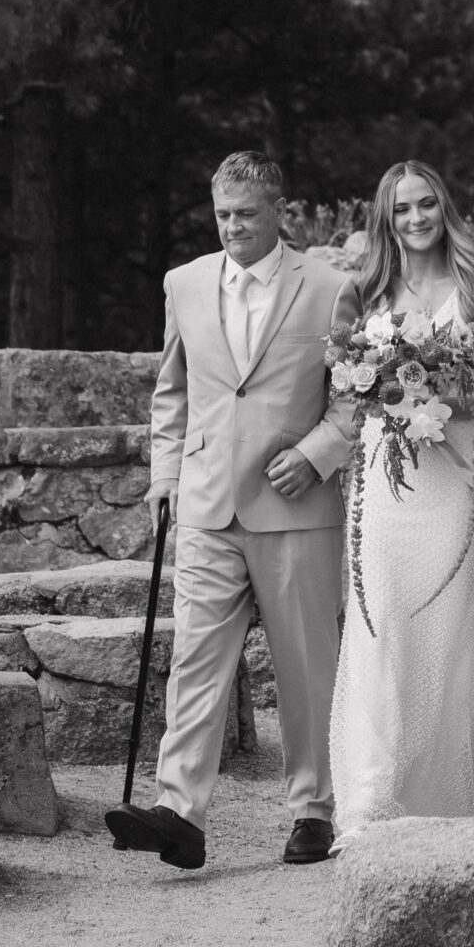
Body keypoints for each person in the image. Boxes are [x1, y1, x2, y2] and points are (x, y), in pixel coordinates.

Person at [119, 153, 353, 871]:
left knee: (306, 666)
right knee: (193, 659)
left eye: (245, 215)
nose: (232, 227)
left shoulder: (330, 287)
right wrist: (164, 477)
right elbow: (172, 394)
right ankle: (178, 812)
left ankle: (313, 808)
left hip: (295, 506)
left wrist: (317, 452)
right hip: (206, 505)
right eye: (221, 214)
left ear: (279, 210)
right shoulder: (183, 283)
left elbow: (352, 397)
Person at [328, 163, 474, 834]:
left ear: (443, 208)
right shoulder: (365, 290)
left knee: (447, 625)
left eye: (425, 206)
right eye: (400, 210)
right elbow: (338, 373)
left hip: (455, 477)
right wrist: (368, 384)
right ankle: (373, 799)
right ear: (384, 219)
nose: (414, 220)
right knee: (380, 621)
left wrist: (451, 399)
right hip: (386, 480)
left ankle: (449, 802)